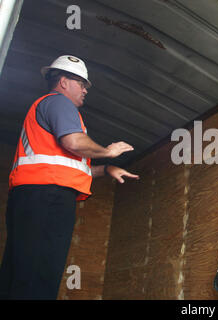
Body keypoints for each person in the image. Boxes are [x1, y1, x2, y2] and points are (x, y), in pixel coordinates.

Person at [0, 55, 139, 299]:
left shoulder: (50, 108)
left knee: (23, 272)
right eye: (82, 83)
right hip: (46, 197)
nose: (86, 89)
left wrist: (106, 169)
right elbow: (74, 142)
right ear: (64, 81)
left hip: (35, 196)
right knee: (40, 274)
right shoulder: (59, 103)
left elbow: (70, 166)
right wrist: (108, 151)